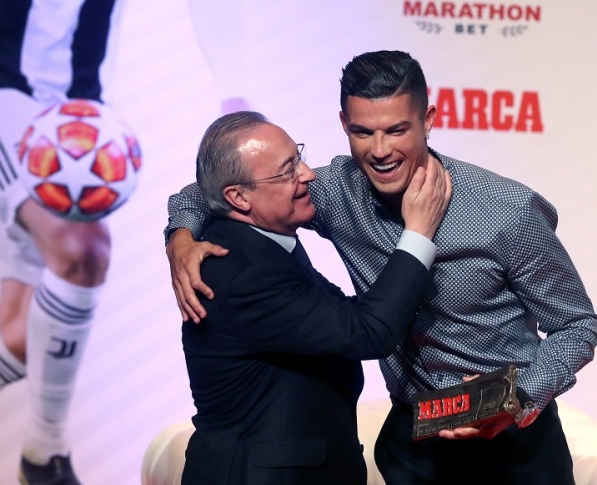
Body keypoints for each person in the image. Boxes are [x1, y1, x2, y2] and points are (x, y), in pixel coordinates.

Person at [165, 50, 597, 483]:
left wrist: (516, 398)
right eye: (363, 132)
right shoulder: (336, 193)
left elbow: (577, 326)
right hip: (412, 445)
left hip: (514, 446)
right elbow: (211, 190)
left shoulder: (506, 210)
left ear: (428, 120)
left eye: (396, 130)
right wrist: (181, 237)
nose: (380, 151)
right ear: (343, 125)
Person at [180, 110, 450, 484]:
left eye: (299, 158)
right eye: (287, 171)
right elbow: (368, 332)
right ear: (238, 197)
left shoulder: (264, 245)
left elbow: (339, 315)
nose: (307, 174)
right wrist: (418, 232)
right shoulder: (243, 272)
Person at [0, 0, 127, 483]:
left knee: (26, 335)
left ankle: (41, 455)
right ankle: (45, 456)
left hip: (71, 117)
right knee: (80, 247)